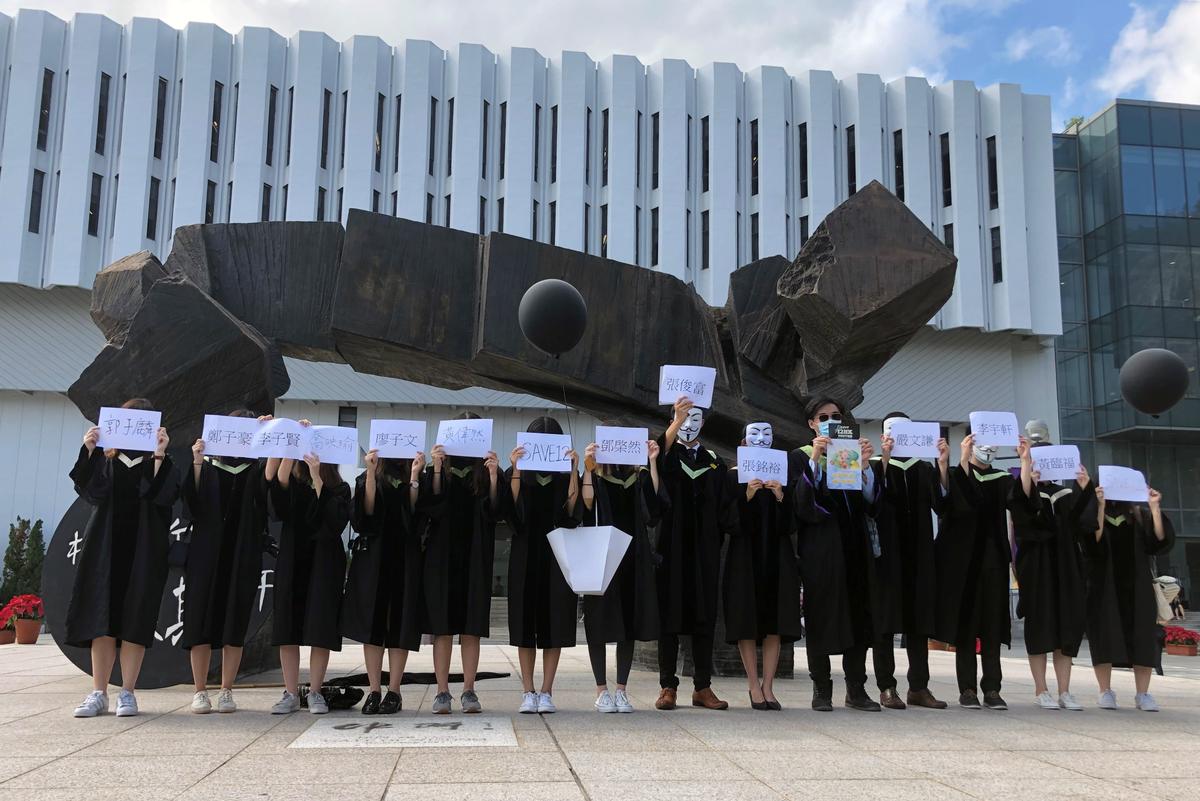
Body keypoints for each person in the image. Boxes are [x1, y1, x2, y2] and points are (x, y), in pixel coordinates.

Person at [69, 399, 177, 718]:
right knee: (101, 618)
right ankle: (98, 692)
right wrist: (88, 450)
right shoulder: (107, 457)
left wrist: (158, 454)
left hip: (143, 549)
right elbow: (93, 493)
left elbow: (164, 497)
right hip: (105, 548)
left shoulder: (159, 460)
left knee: (135, 619)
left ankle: (127, 692)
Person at [791, 397, 883, 712]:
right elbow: (801, 506)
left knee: (859, 617)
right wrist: (816, 457)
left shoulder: (851, 454)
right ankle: (821, 689)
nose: (830, 419)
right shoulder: (800, 456)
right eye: (822, 416)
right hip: (820, 549)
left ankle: (856, 689)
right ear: (811, 424)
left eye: (835, 415)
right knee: (820, 616)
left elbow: (871, 504)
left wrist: (867, 467)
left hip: (855, 547)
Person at [181, 410, 272, 714]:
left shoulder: (255, 469)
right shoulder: (207, 464)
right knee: (200, 618)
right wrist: (196, 460)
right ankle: (200, 691)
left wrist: (270, 437)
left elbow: (267, 499)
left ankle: (227, 690)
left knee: (235, 620)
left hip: (241, 553)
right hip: (206, 555)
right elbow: (191, 504)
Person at [654, 397, 738, 712]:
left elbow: (726, 508)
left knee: (704, 617)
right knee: (668, 617)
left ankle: (702, 686)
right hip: (671, 548)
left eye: (694, 419)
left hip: (704, 550)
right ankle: (667, 686)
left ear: (703, 423)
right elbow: (655, 462)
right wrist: (674, 420)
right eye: (682, 420)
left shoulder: (714, 462)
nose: (688, 424)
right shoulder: (664, 455)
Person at [423, 410, 504, 715]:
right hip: (442, 556)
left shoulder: (485, 469)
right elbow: (430, 506)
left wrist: (495, 475)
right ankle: (442, 691)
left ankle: (469, 689)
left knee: (471, 627)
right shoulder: (441, 467)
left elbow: (496, 511)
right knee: (442, 627)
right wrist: (436, 467)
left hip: (475, 555)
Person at [266, 428, 351, 716]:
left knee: (320, 626)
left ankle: (315, 691)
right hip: (293, 557)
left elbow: (334, 522)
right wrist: (291, 438)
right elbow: (278, 499)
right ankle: (290, 692)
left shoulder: (340, 488)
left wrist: (317, 479)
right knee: (288, 626)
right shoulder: (294, 483)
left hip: (325, 561)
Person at [1008, 437, 1095, 711]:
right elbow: (1021, 513)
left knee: (1066, 628)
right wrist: (1026, 470)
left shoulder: (1065, 493)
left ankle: (1065, 691)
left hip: (1067, 567)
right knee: (1040, 627)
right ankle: (1041, 689)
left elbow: (1084, 524)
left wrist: (1085, 488)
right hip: (1038, 568)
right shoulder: (1025, 488)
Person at [871, 412, 950, 710]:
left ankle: (919, 687)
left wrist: (943, 464)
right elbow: (871, 500)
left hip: (919, 554)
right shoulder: (878, 467)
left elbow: (941, 505)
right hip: (887, 555)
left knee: (919, 622)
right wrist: (885, 460)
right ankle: (886, 687)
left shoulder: (924, 468)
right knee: (885, 623)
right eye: (891, 431)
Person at [580, 435, 663, 713]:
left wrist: (652, 461)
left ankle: (622, 690)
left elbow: (653, 510)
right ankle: (601, 690)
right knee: (599, 624)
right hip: (602, 558)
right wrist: (588, 470)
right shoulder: (597, 475)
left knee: (628, 625)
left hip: (632, 559)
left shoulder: (637, 477)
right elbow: (586, 505)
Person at [342, 447, 426, 715]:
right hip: (373, 558)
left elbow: (416, 516)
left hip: (405, 557)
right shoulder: (368, 477)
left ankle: (395, 690)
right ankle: (374, 689)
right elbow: (365, 514)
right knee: (373, 624)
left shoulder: (414, 477)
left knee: (399, 623)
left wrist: (414, 475)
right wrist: (370, 471)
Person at [724, 422, 801, 711]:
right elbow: (727, 521)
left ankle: (769, 685)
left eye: (767, 435)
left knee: (775, 622)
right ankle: (753, 684)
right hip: (745, 557)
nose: (760, 439)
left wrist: (781, 497)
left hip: (777, 556)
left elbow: (791, 524)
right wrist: (746, 498)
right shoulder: (733, 478)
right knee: (747, 620)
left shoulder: (782, 478)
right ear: (743, 444)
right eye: (753, 435)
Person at [934, 431, 1014, 711]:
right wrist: (955, 462)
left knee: (991, 625)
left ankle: (992, 688)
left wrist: (1027, 465)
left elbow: (1023, 505)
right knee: (965, 627)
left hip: (992, 559)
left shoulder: (1002, 478)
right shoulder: (956, 473)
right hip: (962, 562)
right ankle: (967, 689)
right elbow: (945, 505)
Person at [506, 416, 579, 714]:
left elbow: (573, 513)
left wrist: (574, 470)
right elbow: (510, 511)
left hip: (557, 556)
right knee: (525, 623)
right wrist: (515, 468)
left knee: (555, 622)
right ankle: (528, 690)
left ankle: (547, 691)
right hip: (525, 553)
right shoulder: (522, 473)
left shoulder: (563, 475)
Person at [1084, 482, 1175, 711]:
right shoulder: (1097, 513)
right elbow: (1091, 544)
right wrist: (1100, 505)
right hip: (1104, 587)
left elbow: (1159, 542)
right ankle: (1105, 690)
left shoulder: (1139, 515)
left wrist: (1154, 507)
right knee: (1103, 635)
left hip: (1138, 586)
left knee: (1143, 638)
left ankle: (1143, 693)